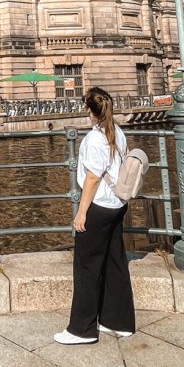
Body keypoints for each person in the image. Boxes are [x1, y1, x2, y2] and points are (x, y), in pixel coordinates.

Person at [54, 86, 135, 344]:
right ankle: (119, 322)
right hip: (117, 205)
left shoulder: (93, 139)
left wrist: (81, 212)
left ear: (89, 109)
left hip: (98, 207)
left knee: (86, 268)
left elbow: (91, 178)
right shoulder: (118, 132)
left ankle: (82, 329)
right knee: (115, 263)